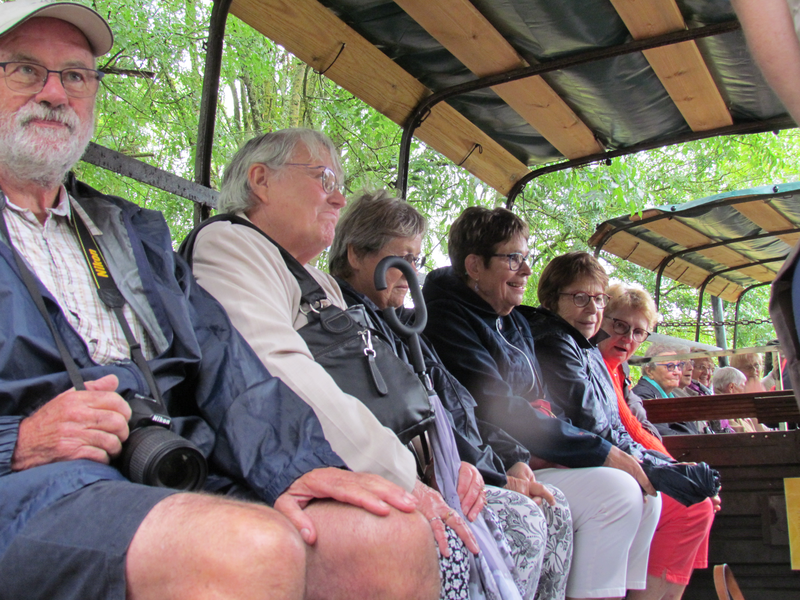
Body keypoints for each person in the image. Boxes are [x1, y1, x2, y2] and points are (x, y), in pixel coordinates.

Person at [0, 3, 443, 600]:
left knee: (389, 538)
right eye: (27, 70)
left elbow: (229, 367)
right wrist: (18, 440)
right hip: (31, 482)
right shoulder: (231, 245)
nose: (55, 93)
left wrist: (298, 466)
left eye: (75, 75)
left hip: (172, 458)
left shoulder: (131, 232)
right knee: (246, 549)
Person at [188, 128, 497, 599]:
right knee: (444, 544)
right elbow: (280, 375)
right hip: (287, 464)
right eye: (323, 177)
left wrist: (447, 464)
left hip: (377, 461)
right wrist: (403, 476)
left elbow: (382, 393)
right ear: (261, 181)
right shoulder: (230, 245)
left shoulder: (318, 282)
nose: (339, 197)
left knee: (511, 520)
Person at [329, 189, 575, 599]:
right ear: (356, 255)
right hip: (406, 476)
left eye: (416, 261)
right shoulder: (342, 325)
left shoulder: (398, 325)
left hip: (453, 466)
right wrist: (492, 473)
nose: (412, 274)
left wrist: (507, 463)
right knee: (526, 520)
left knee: (555, 508)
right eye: (402, 259)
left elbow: (454, 401)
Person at [422, 206, 661, 600]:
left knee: (647, 495)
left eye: (526, 257)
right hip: (496, 458)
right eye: (513, 258)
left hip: (535, 450)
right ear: (475, 265)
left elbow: (544, 403)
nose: (526, 270)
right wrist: (601, 452)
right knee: (617, 492)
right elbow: (492, 406)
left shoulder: (513, 320)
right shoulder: (448, 319)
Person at [597, 281, 718, 600]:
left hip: (632, 466)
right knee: (691, 507)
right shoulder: (591, 367)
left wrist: (679, 471)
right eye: (620, 325)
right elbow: (615, 434)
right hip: (608, 469)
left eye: (639, 332)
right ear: (600, 320)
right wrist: (674, 472)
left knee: (700, 501)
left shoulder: (619, 375)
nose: (628, 338)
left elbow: (643, 431)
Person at [631, 344, 705, 437]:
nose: (677, 372)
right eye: (670, 366)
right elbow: (663, 436)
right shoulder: (643, 395)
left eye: (679, 366)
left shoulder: (672, 395)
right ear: (649, 371)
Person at [712, 367, 770, 433]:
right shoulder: (724, 408)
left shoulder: (734, 407)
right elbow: (748, 435)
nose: (745, 391)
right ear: (731, 387)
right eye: (743, 386)